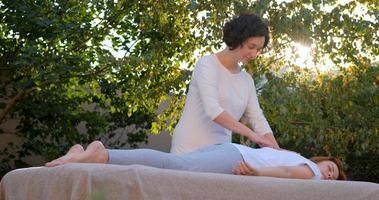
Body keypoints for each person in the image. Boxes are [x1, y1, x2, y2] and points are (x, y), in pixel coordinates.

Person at [170, 13, 279, 154]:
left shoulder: (247, 80)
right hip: (189, 148)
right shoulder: (207, 65)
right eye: (251, 46)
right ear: (238, 38)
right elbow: (213, 110)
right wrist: (254, 136)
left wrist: (277, 150)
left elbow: (257, 118)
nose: (254, 54)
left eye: (258, 49)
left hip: (220, 153)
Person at [46, 141, 347, 180]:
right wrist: (256, 172)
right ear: (320, 162)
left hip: (228, 149)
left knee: (173, 165)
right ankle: (103, 154)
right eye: (331, 168)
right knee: (171, 168)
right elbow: (286, 173)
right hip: (235, 156)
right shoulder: (310, 172)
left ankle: (81, 152)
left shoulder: (293, 154)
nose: (330, 175)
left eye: (334, 176)